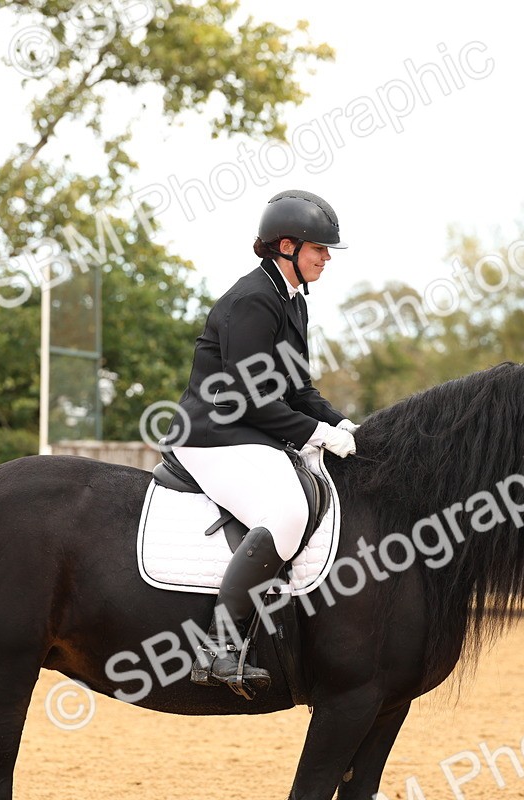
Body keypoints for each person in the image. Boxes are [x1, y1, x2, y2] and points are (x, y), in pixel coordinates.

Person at [165, 189, 358, 694]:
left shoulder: (292, 302)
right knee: (289, 512)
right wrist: (316, 433)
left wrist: (344, 427)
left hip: (248, 432)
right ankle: (218, 646)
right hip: (212, 435)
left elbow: (299, 391)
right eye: (320, 248)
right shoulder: (254, 300)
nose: (327, 258)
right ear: (286, 246)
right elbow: (248, 399)